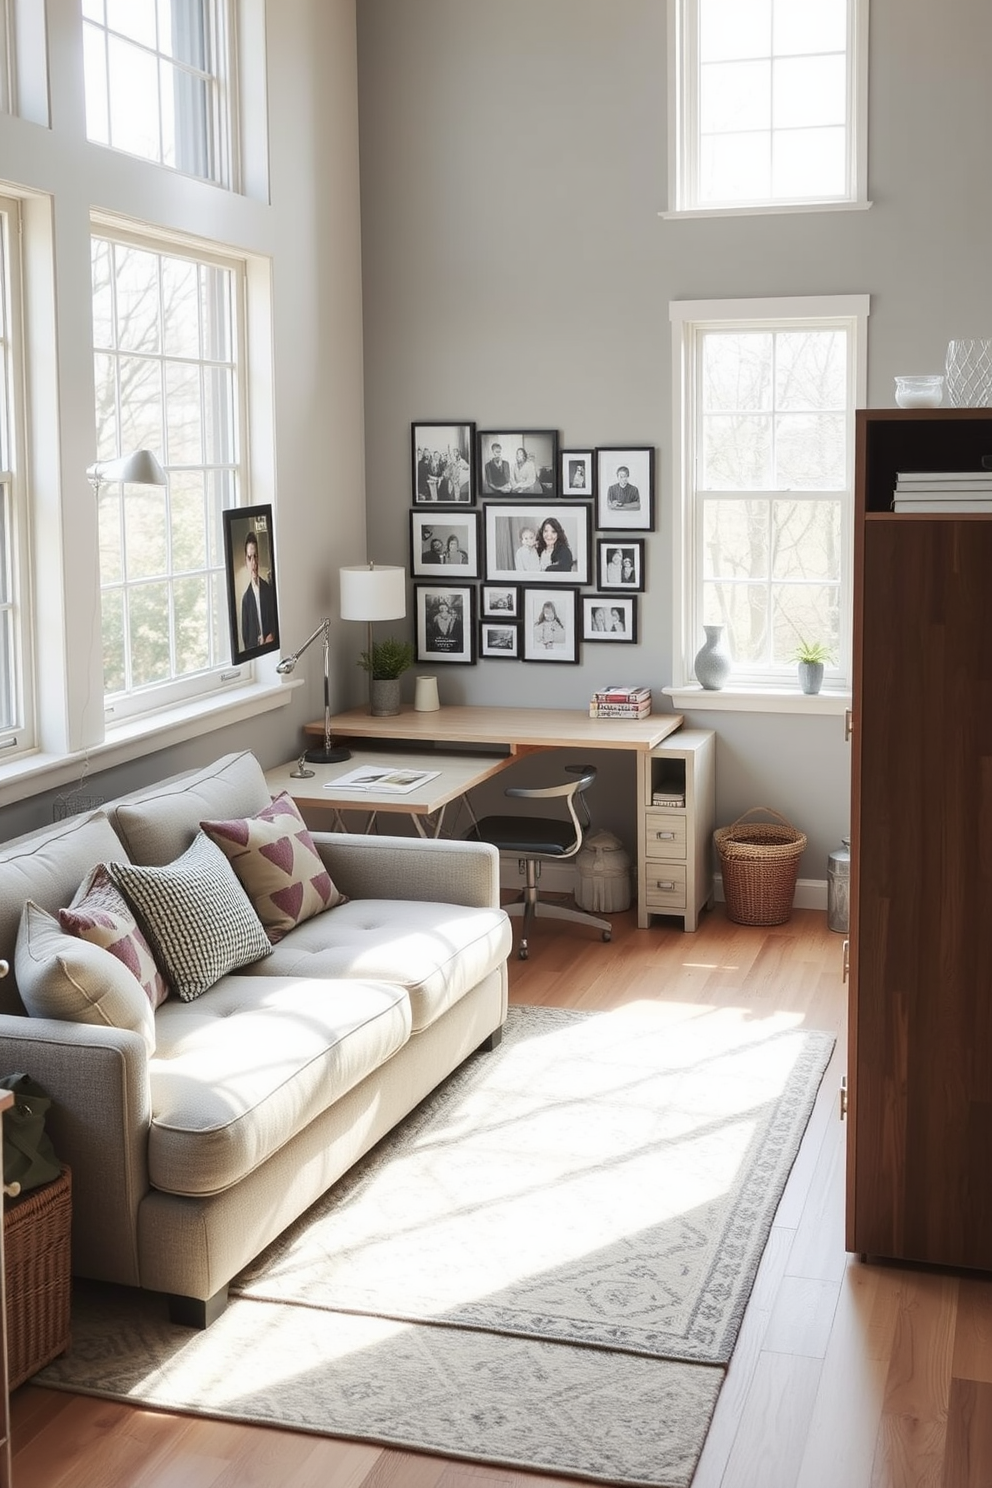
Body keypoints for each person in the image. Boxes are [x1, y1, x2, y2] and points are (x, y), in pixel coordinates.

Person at [240, 530, 276, 651]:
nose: (253, 563)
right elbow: (246, 639)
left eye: (255, 557)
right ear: (246, 561)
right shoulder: (245, 600)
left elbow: (276, 621)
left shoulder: (268, 590)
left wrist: (272, 635)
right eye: (250, 558)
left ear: (258, 558)